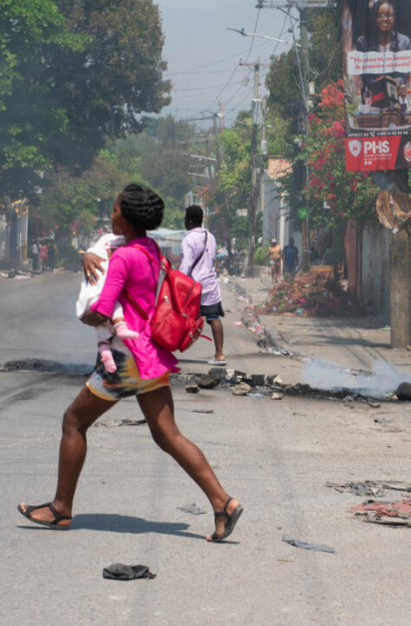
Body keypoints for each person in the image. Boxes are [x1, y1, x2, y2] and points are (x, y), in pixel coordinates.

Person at [18, 184, 242, 542]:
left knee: (73, 422)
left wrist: (86, 315)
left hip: (125, 359)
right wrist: (85, 256)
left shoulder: (123, 258)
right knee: (168, 435)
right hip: (150, 354)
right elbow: (104, 249)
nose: (111, 215)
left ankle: (61, 508)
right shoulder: (150, 250)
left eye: (115, 210)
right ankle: (223, 503)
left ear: (129, 216)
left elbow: (104, 309)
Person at [75, 233, 140, 373]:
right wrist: (89, 256)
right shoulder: (108, 246)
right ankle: (103, 369)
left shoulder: (137, 248)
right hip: (111, 307)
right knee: (105, 331)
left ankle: (106, 371)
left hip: (128, 311)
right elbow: (94, 254)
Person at [181, 205, 228, 366]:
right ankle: (219, 355)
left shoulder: (188, 239)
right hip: (210, 285)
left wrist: (178, 280)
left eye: (186, 218)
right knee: (214, 318)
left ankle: (168, 350)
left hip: (193, 286)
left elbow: (186, 264)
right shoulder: (211, 237)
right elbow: (212, 258)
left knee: (180, 317)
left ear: (189, 220)